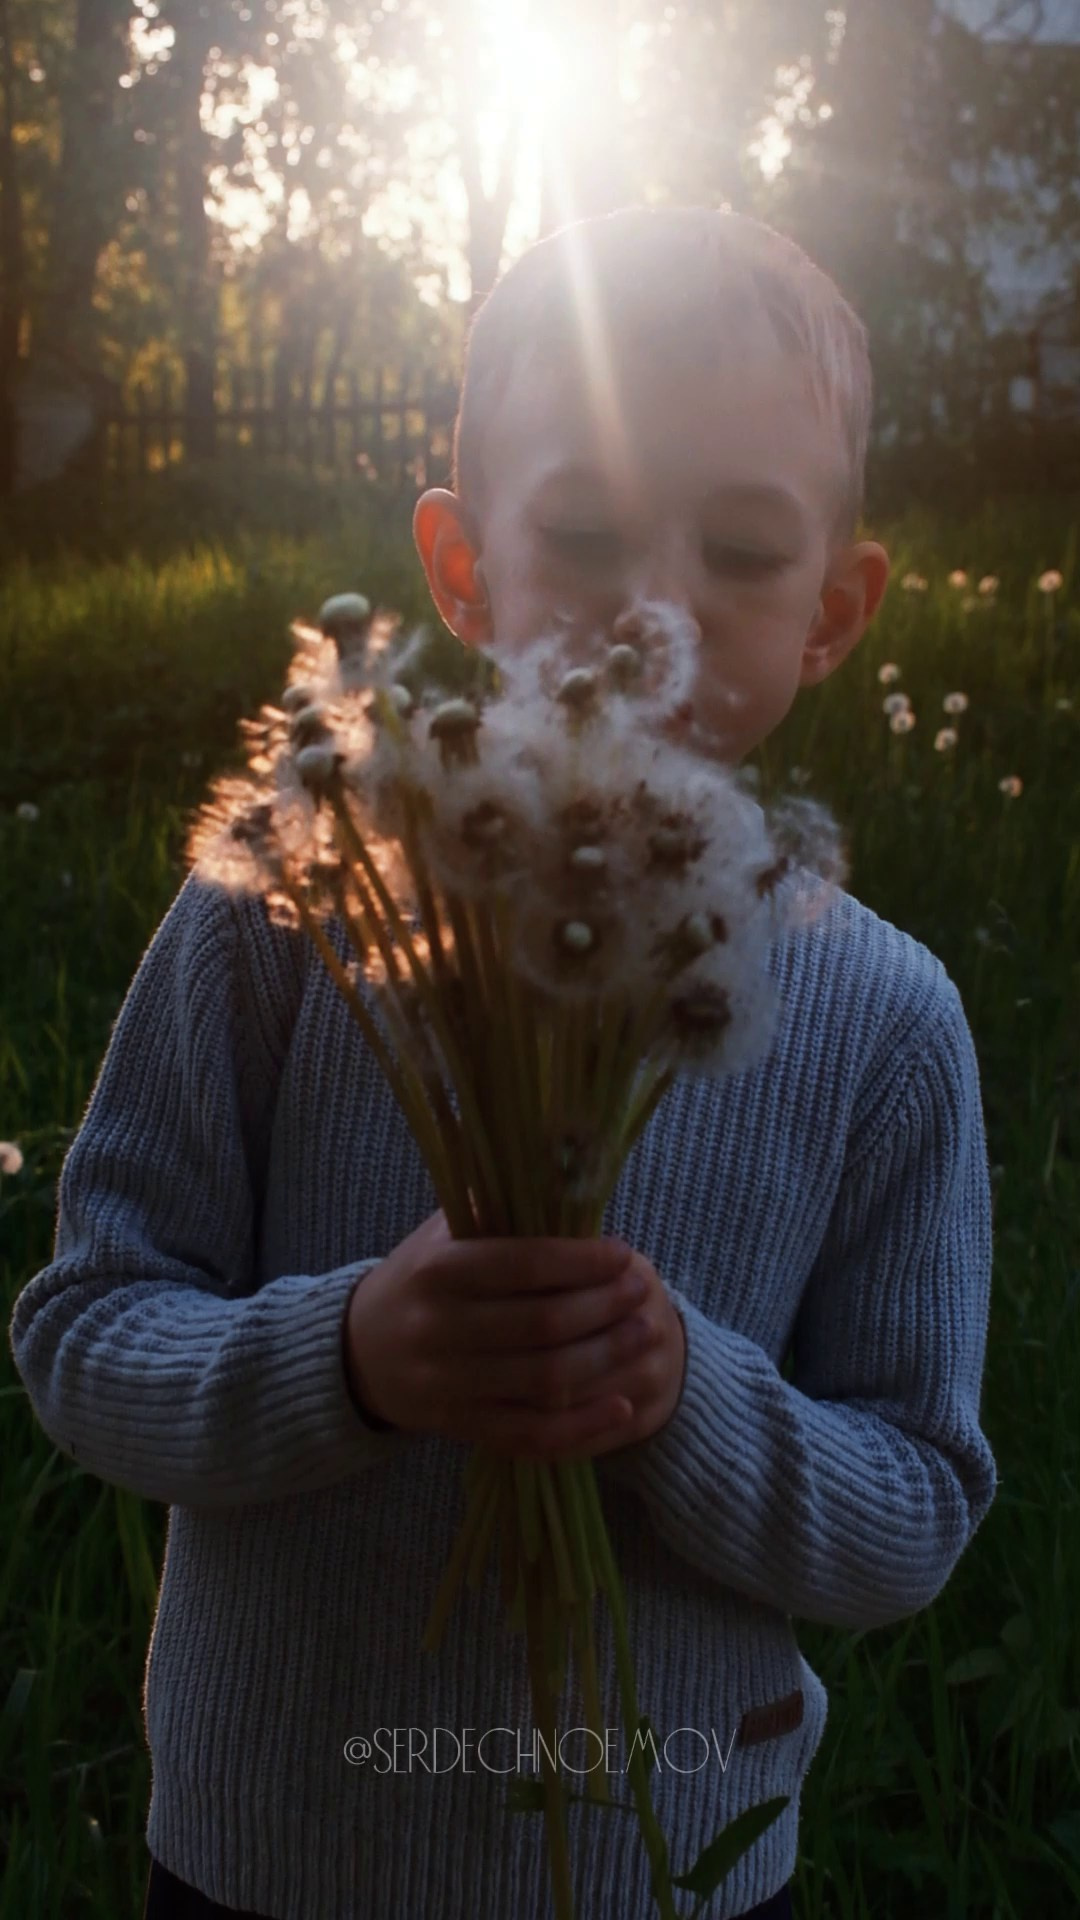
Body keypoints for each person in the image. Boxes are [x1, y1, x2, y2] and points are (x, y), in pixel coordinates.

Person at [8, 205, 998, 1920]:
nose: (655, 606)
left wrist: (679, 1398)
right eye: (589, 530)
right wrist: (348, 1358)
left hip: (667, 1869)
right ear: (462, 569)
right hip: (276, 1861)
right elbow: (85, 1335)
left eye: (744, 550)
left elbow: (914, 1510)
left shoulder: (886, 1023)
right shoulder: (290, 914)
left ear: (837, 610)